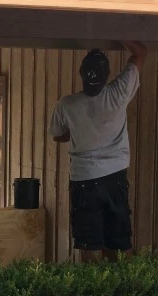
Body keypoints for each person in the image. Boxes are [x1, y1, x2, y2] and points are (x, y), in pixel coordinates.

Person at [48, 41, 147, 263]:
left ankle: (93, 289)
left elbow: (58, 135)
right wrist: (116, 32)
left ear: (82, 75)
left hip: (83, 179)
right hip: (115, 177)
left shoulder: (67, 104)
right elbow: (140, 53)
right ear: (106, 76)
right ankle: (118, 289)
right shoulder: (118, 93)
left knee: (88, 241)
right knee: (118, 240)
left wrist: (78, 131)